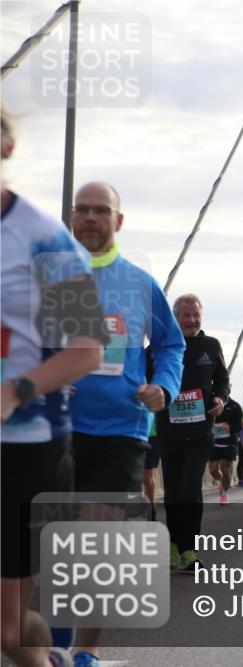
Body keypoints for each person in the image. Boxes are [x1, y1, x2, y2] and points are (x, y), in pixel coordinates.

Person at [1, 107, 107, 667]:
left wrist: (15, 390)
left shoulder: (47, 240)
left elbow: (88, 348)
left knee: (10, 629)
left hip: (27, 443)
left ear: (8, 148)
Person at [67, 181, 187, 667]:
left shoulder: (139, 284)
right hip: (55, 428)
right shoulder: (53, 279)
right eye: (83, 210)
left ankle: (83, 653)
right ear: (72, 219)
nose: (92, 217)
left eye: (102, 210)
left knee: (96, 548)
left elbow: (171, 346)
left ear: (118, 221)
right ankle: (52, 645)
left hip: (122, 430)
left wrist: (165, 388)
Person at [154, 294, 229, 571]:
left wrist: (221, 398)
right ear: (175, 318)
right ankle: (173, 545)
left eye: (196, 315)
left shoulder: (211, 345)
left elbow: (222, 378)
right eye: (186, 315)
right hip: (169, 430)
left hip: (201, 431)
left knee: (190, 488)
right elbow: (146, 380)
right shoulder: (160, 347)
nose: (191, 320)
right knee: (173, 490)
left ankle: (190, 551)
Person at [209, 397, 243, 505]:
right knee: (213, 470)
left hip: (229, 443)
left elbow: (241, 425)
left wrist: (231, 427)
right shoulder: (210, 402)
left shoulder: (235, 406)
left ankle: (225, 494)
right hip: (214, 442)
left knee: (225, 468)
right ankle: (223, 482)